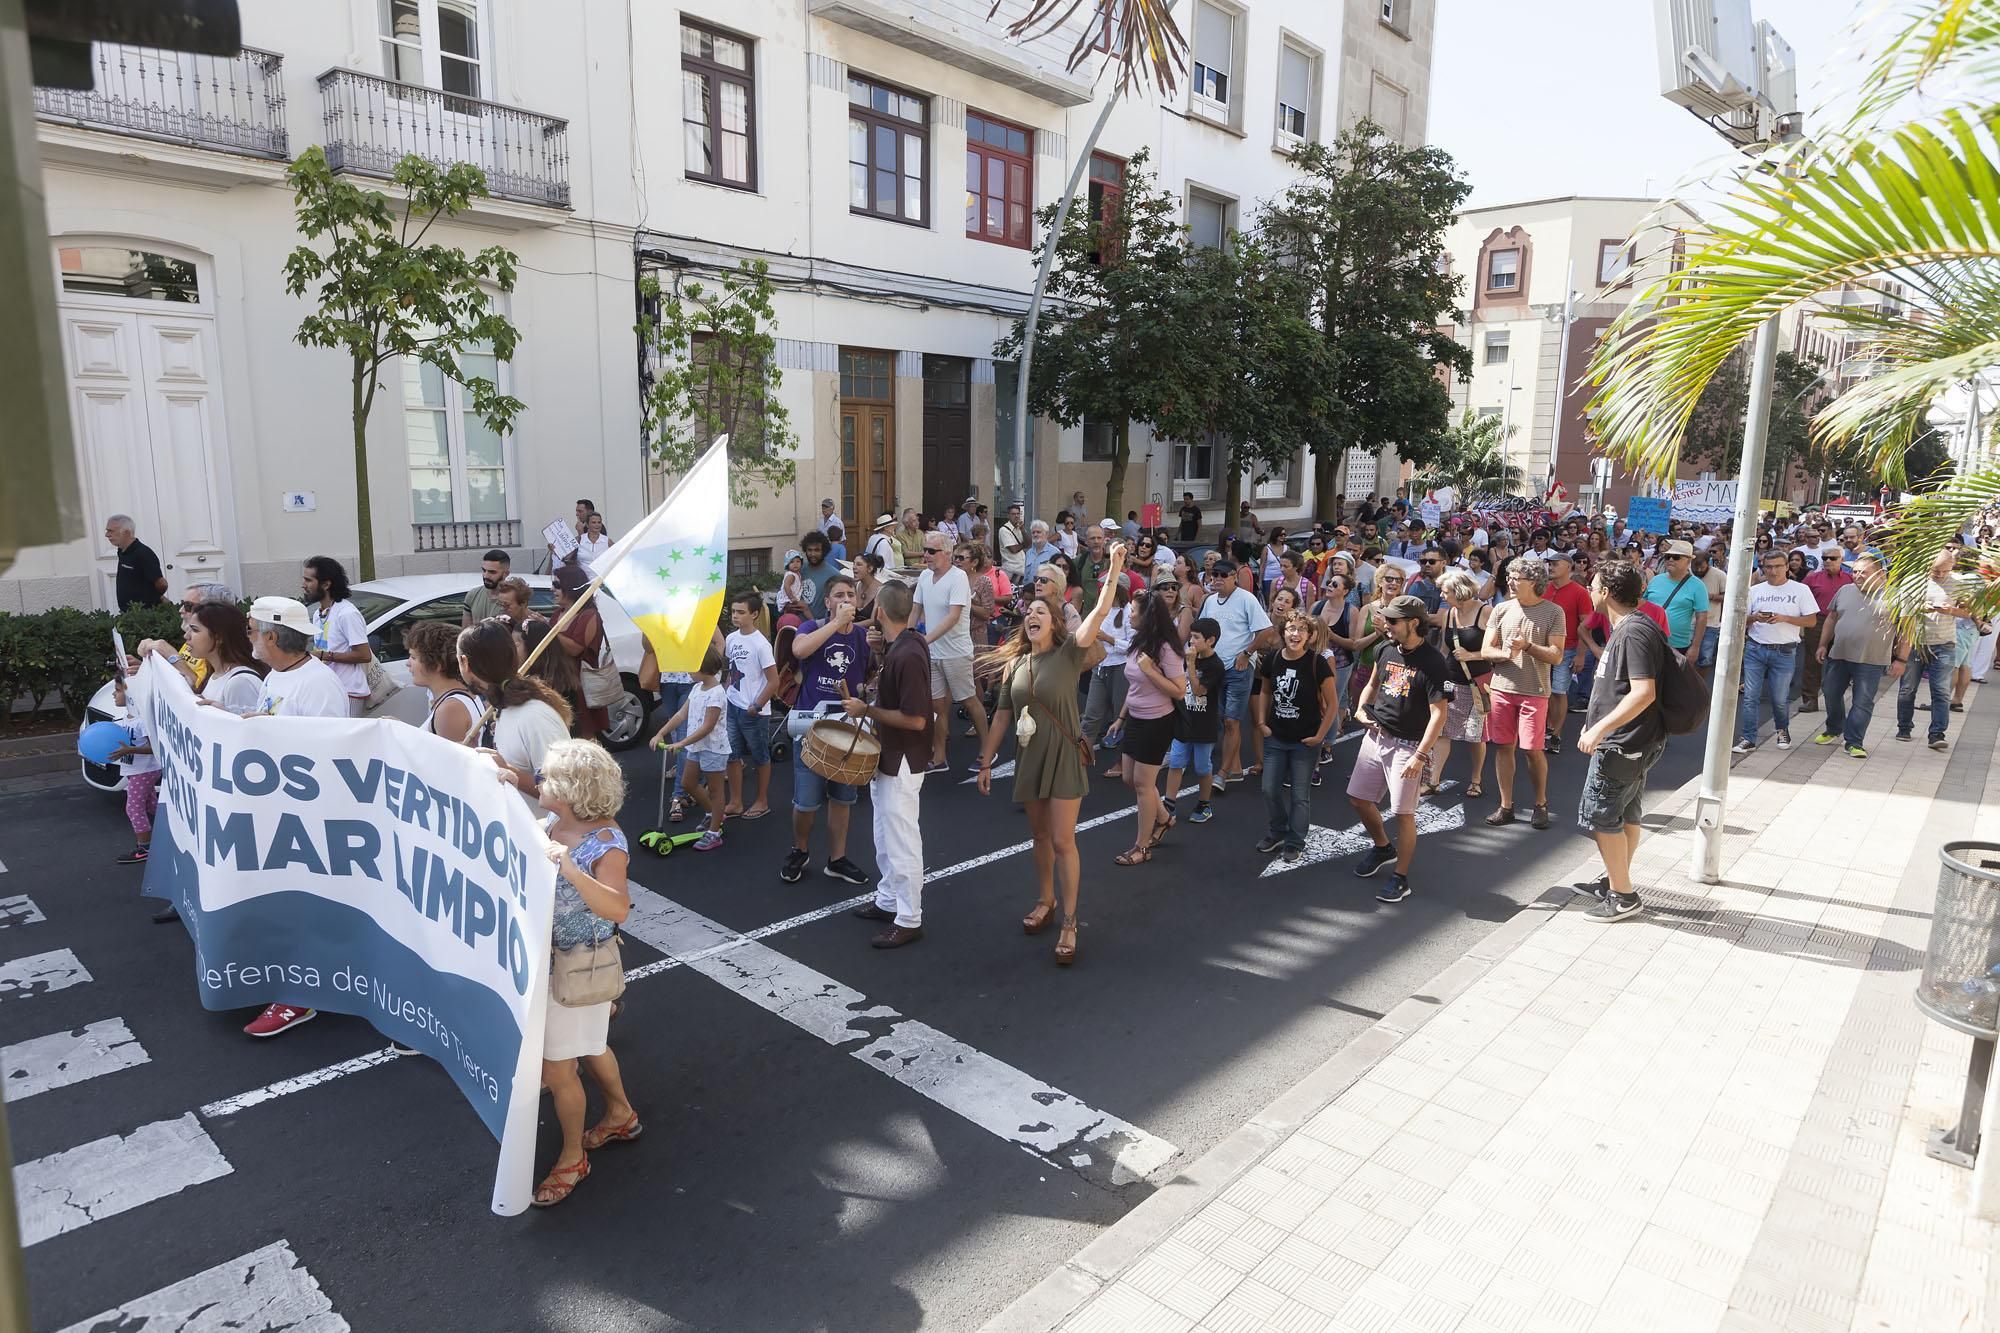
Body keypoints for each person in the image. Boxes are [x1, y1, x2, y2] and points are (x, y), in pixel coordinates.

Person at [976, 544, 1127, 966]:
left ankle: (1071, 920)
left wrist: (1113, 570)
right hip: (1029, 757)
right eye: (1030, 612)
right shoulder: (1016, 664)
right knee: (1039, 838)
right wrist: (986, 762)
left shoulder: (1069, 653)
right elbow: (1002, 716)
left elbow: (1098, 613)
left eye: (1042, 612)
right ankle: (1046, 901)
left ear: (1055, 622)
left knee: (1063, 840)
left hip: (1062, 756)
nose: (1034, 615)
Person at [234, 596, 356, 1036]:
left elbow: (327, 756)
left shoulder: (317, 684)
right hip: (282, 813)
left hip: (309, 819)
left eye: (251, 630)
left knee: (304, 909)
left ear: (270, 636)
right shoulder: (280, 675)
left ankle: (301, 996)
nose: (248, 638)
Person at [531, 738, 640, 1208]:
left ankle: (572, 1159)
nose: (537, 780)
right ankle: (620, 1114)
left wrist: (572, 871)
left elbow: (619, 908)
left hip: (578, 968)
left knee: (559, 1069)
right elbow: (517, 780)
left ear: (571, 790)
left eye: (546, 776)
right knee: (593, 1044)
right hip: (562, 966)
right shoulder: (558, 820)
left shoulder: (605, 843)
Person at [1573, 558, 1671, 923]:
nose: (1589, 590)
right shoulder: (1631, 627)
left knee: (1602, 816)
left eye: (1594, 585)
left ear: (1607, 593)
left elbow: (1643, 692)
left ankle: (1624, 896)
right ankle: (1617, 880)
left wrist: (1599, 729)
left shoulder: (1632, 632)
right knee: (1626, 812)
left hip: (1624, 742)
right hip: (1632, 740)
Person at [844, 582, 933, 948]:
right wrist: (880, 654)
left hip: (903, 760)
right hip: (889, 756)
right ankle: (889, 899)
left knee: (901, 840)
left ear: (879, 611)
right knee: (883, 835)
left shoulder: (907, 655)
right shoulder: (905, 645)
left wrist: (867, 710)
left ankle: (910, 917)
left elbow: (916, 720)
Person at [1347, 595, 1451, 903]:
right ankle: (1383, 848)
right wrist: (1362, 708)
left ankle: (1401, 878)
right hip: (1376, 737)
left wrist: (1420, 755)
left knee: (1403, 813)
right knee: (1358, 799)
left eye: (1392, 621)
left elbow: (1439, 714)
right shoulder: (1384, 648)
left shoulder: (1433, 663)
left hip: (1409, 745)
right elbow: (1373, 683)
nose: (1386, 625)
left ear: (1413, 623)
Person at [782, 574, 873, 886]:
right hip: (812, 727)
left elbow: (865, 677)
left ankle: (837, 858)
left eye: (851, 594)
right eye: (839, 595)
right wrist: (835, 624)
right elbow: (800, 651)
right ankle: (800, 849)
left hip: (845, 729)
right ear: (828, 601)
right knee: (806, 802)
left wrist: (864, 690)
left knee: (843, 799)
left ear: (859, 601)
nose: (846, 599)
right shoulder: (812, 627)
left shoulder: (861, 639)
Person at [1480, 556, 1565, 830]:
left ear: (1534, 582)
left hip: (1534, 691)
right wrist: (1505, 653)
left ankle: (1540, 804)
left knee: (1532, 749)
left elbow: (1556, 656)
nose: (1511, 582)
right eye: (1510, 576)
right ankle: (1506, 806)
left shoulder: (1553, 612)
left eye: (1517, 578)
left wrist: (1527, 646)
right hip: (1502, 688)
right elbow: (1485, 650)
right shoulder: (1500, 609)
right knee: (1504, 747)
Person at [1255, 611, 1338, 864]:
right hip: (1276, 737)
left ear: (1310, 636)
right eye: (1291, 628)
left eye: (1302, 629)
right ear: (1283, 632)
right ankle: (1278, 831)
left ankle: (1294, 840)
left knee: (1299, 795)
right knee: (1269, 789)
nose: (1295, 633)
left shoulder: (1317, 663)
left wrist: (1320, 737)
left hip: (1305, 741)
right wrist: (1261, 722)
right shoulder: (1273, 658)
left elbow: (1333, 704)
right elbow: (1265, 691)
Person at [1110, 590, 1184, 863]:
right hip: (1136, 718)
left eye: (1133, 610)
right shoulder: (1138, 641)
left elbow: (1178, 691)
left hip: (1157, 722)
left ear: (1147, 616)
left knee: (1143, 785)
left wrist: (1152, 670)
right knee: (1129, 778)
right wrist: (1120, 718)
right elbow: (1134, 686)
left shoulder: (1166, 648)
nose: (1129, 614)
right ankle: (1164, 818)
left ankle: (1142, 848)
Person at [913, 530, 988, 772]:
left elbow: (953, 617)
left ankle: (988, 751)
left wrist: (923, 640)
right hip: (933, 652)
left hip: (956, 652)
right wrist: (906, 637)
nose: (926, 555)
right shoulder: (924, 576)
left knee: (969, 701)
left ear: (946, 553)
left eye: (931, 551)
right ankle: (939, 758)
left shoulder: (958, 578)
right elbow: (915, 609)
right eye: (925, 550)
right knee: (937, 707)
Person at [1199, 559, 1277, 787]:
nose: (1218, 579)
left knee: (1232, 720)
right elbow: (1201, 630)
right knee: (1222, 720)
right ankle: (1234, 768)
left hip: (1238, 668)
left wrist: (1247, 653)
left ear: (1234, 576)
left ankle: (1222, 773)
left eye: (1223, 575)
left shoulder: (1246, 599)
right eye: (1214, 575)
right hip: (1214, 668)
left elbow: (1266, 630)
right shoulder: (1210, 601)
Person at [1811, 551, 1896, 757]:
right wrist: (1823, 644)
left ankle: (1854, 742)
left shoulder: (1895, 596)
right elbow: (1832, 618)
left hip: (1871, 659)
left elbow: (1905, 632)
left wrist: (1901, 659)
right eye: (1855, 572)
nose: (1857, 576)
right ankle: (1834, 728)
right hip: (1839, 654)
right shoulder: (1845, 590)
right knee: (1830, 692)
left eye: (1864, 573)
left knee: (1863, 701)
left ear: (1881, 574)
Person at [1733, 551, 1819, 753]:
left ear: (1787, 567)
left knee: (1779, 698)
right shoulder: (1754, 590)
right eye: (1768, 566)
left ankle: (1782, 730)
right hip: (1756, 647)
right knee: (1750, 697)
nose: (1772, 571)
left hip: (1785, 650)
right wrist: (1755, 618)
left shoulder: (1801, 590)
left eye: (1778, 566)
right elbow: (1741, 621)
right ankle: (1748, 737)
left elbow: (1811, 621)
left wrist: (1785, 618)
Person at [652, 646, 730, 850]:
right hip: (696, 746)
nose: (687, 673)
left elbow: (708, 727)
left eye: (691, 669)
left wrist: (680, 743)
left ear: (703, 669)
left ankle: (714, 832)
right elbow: (680, 715)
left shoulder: (716, 694)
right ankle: (713, 814)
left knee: (715, 790)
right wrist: (661, 732)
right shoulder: (697, 688)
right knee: (688, 784)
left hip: (713, 748)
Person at [1894, 548, 1970, 751]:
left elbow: (1970, 612)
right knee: (1908, 688)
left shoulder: (1958, 583)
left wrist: (1952, 610)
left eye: (1945, 571)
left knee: (1941, 690)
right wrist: (1920, 608)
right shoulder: (1913, 582)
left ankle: (1937, 734)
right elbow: (1904, 618)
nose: (1940, 575)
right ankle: (1904, 727)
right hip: (1915, 642)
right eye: (1936, 571)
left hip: (1945, 643)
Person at [1163, 618, 1224, 829]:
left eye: (1196, 638)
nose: (1191, 641)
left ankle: (1204, 804)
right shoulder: (1187, 657)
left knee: (1202, 766)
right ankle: (1169, 803)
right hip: (1184, 720)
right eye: (1191, 636)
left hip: (1204, 724)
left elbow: (1198, 690)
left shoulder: (1216, 665)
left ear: (1211, 640)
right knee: (1176, 762)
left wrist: (1190, 663)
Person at [1436, 570, 1491, 799]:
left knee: (1475, 735)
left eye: (1445, 591)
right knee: (1441, 731)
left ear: (1460, 593)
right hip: (1450, 680)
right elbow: (1444, 648)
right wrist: (1436, 674)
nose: (1441, 595)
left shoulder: (1485, 612)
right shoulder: (1449, 614)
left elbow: (1498, 650)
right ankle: (1433, 779)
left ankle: (1476, 780)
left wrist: (1472, 655)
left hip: (1476, 683)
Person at [722, 591, 778, 818]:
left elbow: (774, 680)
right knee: (732, 755)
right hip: (733, 705)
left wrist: (757, 705)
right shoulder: (731, 638)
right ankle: (735, 801)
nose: (735, 616)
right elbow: (732, 669)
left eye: (741, 612)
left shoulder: (761, 644)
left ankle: (762, 800)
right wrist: (726, 692)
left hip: (753, 710)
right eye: (733, 611)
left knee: (760, 756)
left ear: (754, 615)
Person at [302, 556, 373, 717]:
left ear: (326, 584)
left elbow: (364, 654)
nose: (303, 585)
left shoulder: (347, 613)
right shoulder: (318, 613)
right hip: (328, 687)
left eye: (308, 580)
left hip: (349, 691)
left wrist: (323, 655)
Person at [1538, 552, 1595, 753]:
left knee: (1558, 691)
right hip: (1542, 648)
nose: (1551, 567)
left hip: (1567, 649)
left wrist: (1581, 654)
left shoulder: (1580, 592)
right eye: (1550, 564)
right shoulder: (1544, 588)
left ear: (1568, 567)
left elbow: (1585, 625)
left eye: (1555, 564)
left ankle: (1556, 735)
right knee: (1543, 690)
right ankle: (1546, 727)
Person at [551, 563, 613, 739]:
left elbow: (575, 648)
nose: (552, 589)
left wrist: (550, 631)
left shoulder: (589, 615)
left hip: (582, 686)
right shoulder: (558, 614)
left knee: (585, 736)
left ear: (570, 587)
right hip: (561, 683)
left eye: (557, 585)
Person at [107, 676, 159, 866]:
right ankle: (172, 834)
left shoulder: (141, 720)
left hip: (144, 770)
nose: (114, 693)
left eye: (118, 690)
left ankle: (145, 847)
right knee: (152, 805)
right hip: (135, 769)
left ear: (131, 696)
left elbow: (155, 747)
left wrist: (130, 750)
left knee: (133, 807)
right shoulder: (124, 719)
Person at [1081, 577, 1134, 764]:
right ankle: (1083, 759)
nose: (1103, 589)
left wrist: (1108, 638)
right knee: (1090, 716)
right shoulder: (1100, 611)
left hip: (1121, 668)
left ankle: (1122, 764)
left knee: (1121, 716)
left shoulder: (1129, 612)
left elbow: (1133, 646)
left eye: (1108, 585)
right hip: (1100, 666)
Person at [405, 620, 478, 744]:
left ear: (436, 664)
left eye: (413, 657)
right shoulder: (456, 698)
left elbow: (446, 760)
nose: (407, 663)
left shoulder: (450, 709)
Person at [1799, 551, 1854, 712]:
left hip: (1843, 620)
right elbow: (1801, 597)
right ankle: (1810, 699)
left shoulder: (1850, 579)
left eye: (1832, 558)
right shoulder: (1812, 578)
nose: (1828, 561)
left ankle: (1834, 698)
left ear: (1841, 560)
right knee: (1812, 661)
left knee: (1840, 661)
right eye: (1824, 558)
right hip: (1818, 620)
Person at [105, 514, 168, 610]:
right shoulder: (122, 551)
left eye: (111, 531)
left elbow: (162, 584)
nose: (107, 535)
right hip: (130, 614)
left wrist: (154, 597)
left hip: (145, 616)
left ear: (126, 533)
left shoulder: (143, 553)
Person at [463, 550, 512, 627]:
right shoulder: (472, 595)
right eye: (484, 570)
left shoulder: (514, 598)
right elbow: (465, 632)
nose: (486, 576)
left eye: (492, 572)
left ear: (506, 574)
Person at [797, 531, 837, 617]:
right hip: (795, 624)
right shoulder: (799, 569)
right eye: (809, 550)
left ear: (824, 551)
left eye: (817, 550)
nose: (812, 554)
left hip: (819, 627)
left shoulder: (834, 575)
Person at [999, 503, 1029, 580]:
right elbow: (1013, 549)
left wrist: (1023, 530)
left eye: (1018, 514)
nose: (1016, 516)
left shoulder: (1019, 528)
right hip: (1011, 570)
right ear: (1008, 515)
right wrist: (1024, 545)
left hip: (1021, 568)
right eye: (1013, 514)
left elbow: (1029, 543)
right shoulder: (1004, 530)